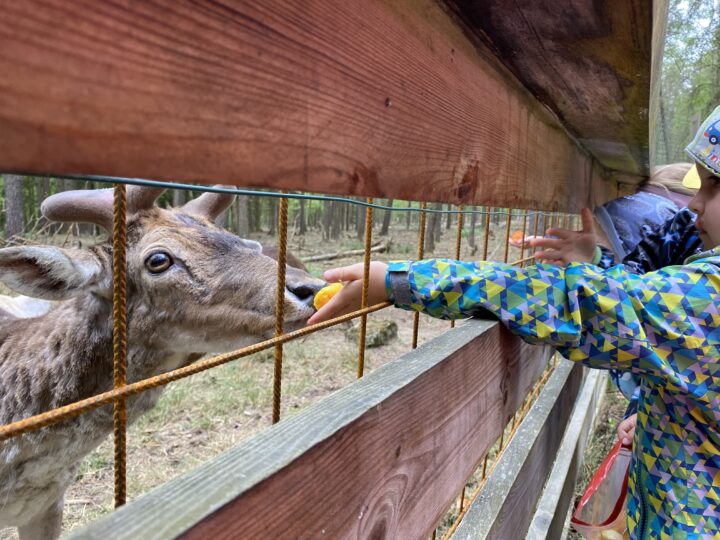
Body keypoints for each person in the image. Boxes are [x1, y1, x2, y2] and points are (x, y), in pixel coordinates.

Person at [308, 106, 720, 538]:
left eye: (713, 186)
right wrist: (652, 409)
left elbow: (570, 304)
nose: (694, 203)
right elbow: (645, 314)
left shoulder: (706, 296)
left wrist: (399, 281)